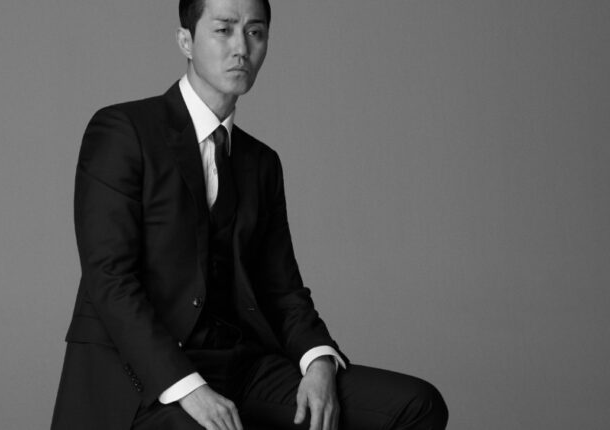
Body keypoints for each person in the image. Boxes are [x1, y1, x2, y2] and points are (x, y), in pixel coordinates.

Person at [51, 0, 448, 429]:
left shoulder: (261, 163)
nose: (241, 48)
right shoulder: (123, 130)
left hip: (241, 365)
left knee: (417, 406)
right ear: (186, 41)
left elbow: (282, 288)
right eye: (223, 30)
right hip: (140, 376)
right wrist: (189, 387)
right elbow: (110, 279)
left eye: (255, 33)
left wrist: (318, 360)